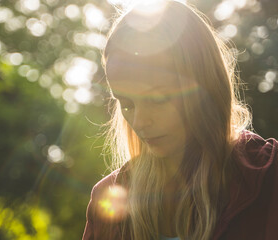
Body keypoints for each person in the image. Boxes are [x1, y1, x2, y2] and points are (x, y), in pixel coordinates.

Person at [82, 1, 278, 240]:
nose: (141, 122)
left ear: (204, 87)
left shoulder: (268, 179)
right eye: (127, 104)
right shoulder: (108, 197)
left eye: (158, 99)